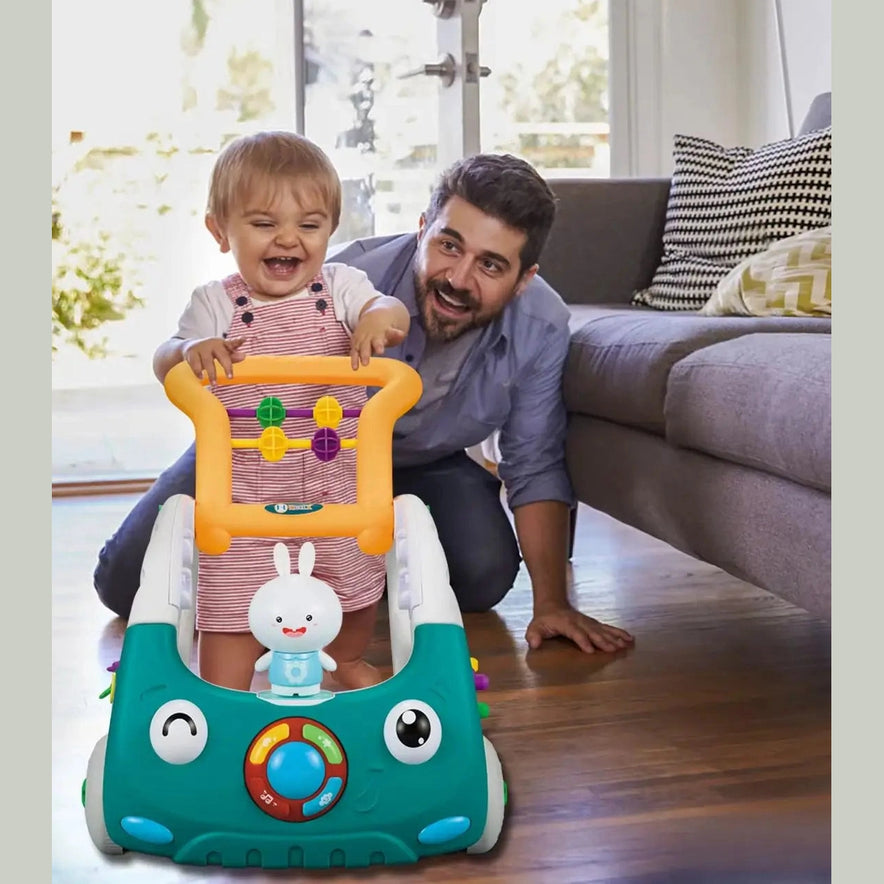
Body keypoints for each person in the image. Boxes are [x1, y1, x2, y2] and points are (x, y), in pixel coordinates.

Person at [95, 151, 634, 656]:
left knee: (482, 575)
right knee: (127, 583)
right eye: (449, 246)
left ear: (523, 280)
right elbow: (198, 351)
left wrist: (552, 604)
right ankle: (282, 577)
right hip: (273, 449)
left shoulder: (541, 325)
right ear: (423, 229)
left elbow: (534, 459)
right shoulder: (343, 279)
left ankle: (351, 579)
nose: (458, 278)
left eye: (491, 266)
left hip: (423, 463)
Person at [151, 131, 410, 691]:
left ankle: (346, 660)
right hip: (242, 491)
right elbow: (165, 357)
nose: (287, 239)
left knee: (351, 576)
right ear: (220, 230)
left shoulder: (343, 286)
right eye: (264, 224)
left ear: (330, 230)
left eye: (308, 226)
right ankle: (224, 686)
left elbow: (390, 312)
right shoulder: (214, 303)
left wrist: (379, 318)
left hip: (334, 483)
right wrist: (189, 352)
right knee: (232, 592)